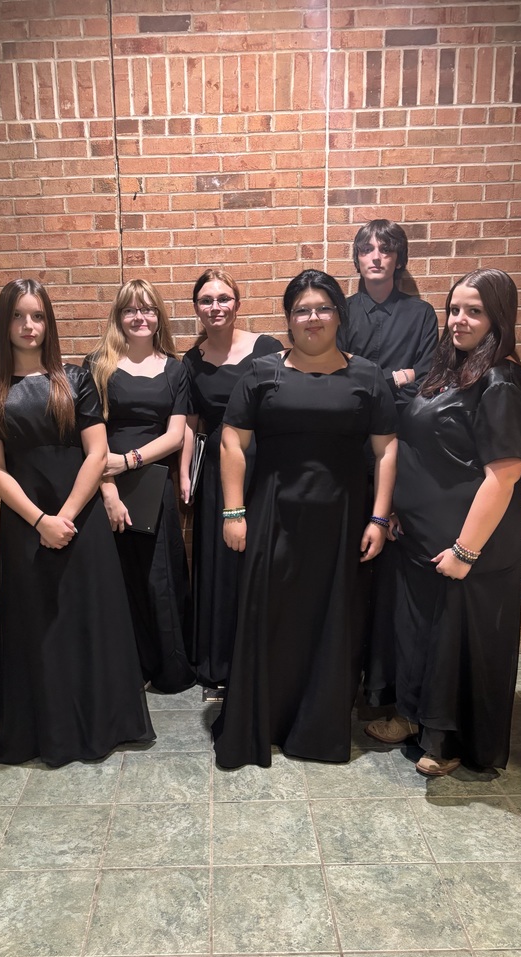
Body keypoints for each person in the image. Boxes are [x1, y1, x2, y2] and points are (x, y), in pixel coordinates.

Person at [211, 269, 397, 768]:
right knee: (270, 618)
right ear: (289, 319)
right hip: (273, 514)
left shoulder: (369, 376)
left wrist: (379, 518)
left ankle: (315, 727)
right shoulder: (262, 372)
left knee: (333, 620)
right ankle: (263, 721)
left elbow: (386, 450)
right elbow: (232, 440)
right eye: (301, 310)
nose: (312, 318)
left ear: (339, 314)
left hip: (342, 520)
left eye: (322, 308)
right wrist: (234, 510)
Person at [0, 279, 154, 767]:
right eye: (18, 316)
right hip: (25, 522)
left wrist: (66, 515)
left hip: (81, 517)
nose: (28, 326)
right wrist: (39, 521)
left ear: (48, 323)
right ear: (3, 323)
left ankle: (101, 722)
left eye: (37, 316)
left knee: (88, 619)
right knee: (39, 625)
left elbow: (96, 453)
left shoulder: (77, 378)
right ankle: (46, 728)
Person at [380, 268, 521, 776]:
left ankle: (447, 743)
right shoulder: (451, 368)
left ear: (499, 318)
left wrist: (466, 551)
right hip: (421, 537)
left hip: (471, 544)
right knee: (419, 635)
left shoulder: (501, 379)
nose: (459, 320)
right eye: (454, 310)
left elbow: (503, 476)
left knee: (456, 643)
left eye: (474, 311)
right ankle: (413, 717)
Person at [340, 219, 440, 713]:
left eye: (386, 249)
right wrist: (388, 375)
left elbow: (425, 376)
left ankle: (385, 683)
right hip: (346, 443)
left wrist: (373, 374)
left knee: (391, 561)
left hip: (400, 444)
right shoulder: (342, 309)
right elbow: (335, 368)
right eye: (367, 249)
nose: (376, 257)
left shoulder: (421, 313)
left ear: (399, 259)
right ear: (356, 258)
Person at [85, 280, 194, 694]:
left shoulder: (175, 368)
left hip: (154, 487)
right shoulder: (98, 365)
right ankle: (127, 669)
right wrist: (109, 491)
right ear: (119, 317)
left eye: (147, 309)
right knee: (117, 578)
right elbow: (91, 436)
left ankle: (169, 669)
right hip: (104, 487)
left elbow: (175, 435)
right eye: (130, 310)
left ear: (158, 315)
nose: (139, 317)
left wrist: (130, 460)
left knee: (160, 578)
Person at [179, 269, 282, 693]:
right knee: (220, 563)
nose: (215, 306)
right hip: (218, 469)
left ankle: (263, 658)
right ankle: (220, 664)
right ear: (197, 309)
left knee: (263, 559)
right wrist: (184, 472)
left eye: (223, 298)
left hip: (265, 465)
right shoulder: (191, 359)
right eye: (206, 300)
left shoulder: (267, 349)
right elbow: (189, 422)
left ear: (237, 304)